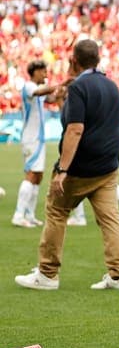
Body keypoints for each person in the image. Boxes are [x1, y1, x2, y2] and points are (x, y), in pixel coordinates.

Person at [15, 39, 119, 291]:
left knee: (56, 212)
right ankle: (118, 276)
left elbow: (74, 129)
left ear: (74, 60)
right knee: (111, 218)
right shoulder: (112, 86)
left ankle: (47, 274)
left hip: (80, 168)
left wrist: (63, 169)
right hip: (108, 167)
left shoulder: (79, 87)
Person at [11, 61, 58, 228]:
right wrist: (60, 85)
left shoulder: (37, 88)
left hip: (38, 138)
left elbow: (50, 98)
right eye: (43, 71)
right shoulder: (29, 87)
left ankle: (29, 215)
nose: (45, 74)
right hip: (31, 138)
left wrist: (63, 92)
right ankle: (18, 215)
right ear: (35, 72)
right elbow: (41, 92)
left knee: (38, 176)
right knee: (31, 175)